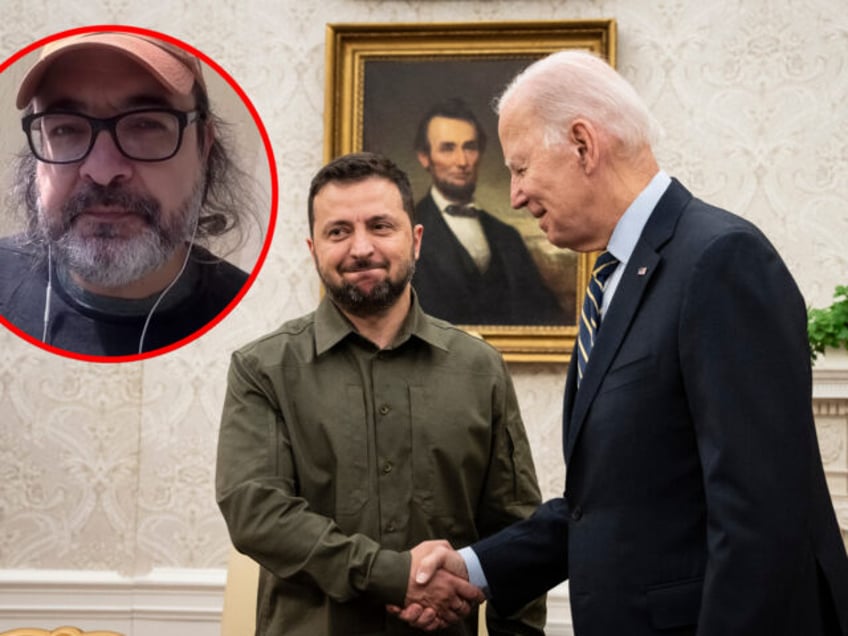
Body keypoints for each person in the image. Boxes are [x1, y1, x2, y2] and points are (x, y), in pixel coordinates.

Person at [400, 50, 848, 635]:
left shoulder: (720, 261)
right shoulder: (618, 276)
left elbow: (760, 520)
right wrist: (475, 567)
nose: (511, 195)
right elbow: (608, 501)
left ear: (583, 144)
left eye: (520, 167)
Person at [215, 152, 546, 635]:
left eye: (380, 226)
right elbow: (257, 514)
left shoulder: (479, 369)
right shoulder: (262, 369)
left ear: (415, 239)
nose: (361, 247)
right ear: (313, 249)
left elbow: (516, 531)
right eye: (338, 231)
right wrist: (397, 578)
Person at [0, 31, 258, 357]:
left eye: (146, 125)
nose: (103, 171)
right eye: (65, 128)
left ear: (204, 144)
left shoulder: (255, 321)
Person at [411, 98, 566, 325]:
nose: (462, 161)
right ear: (425, 158)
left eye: (470, 147)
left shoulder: (508, 237)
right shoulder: (405, 231)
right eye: (448, 148)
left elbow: (547, 316)